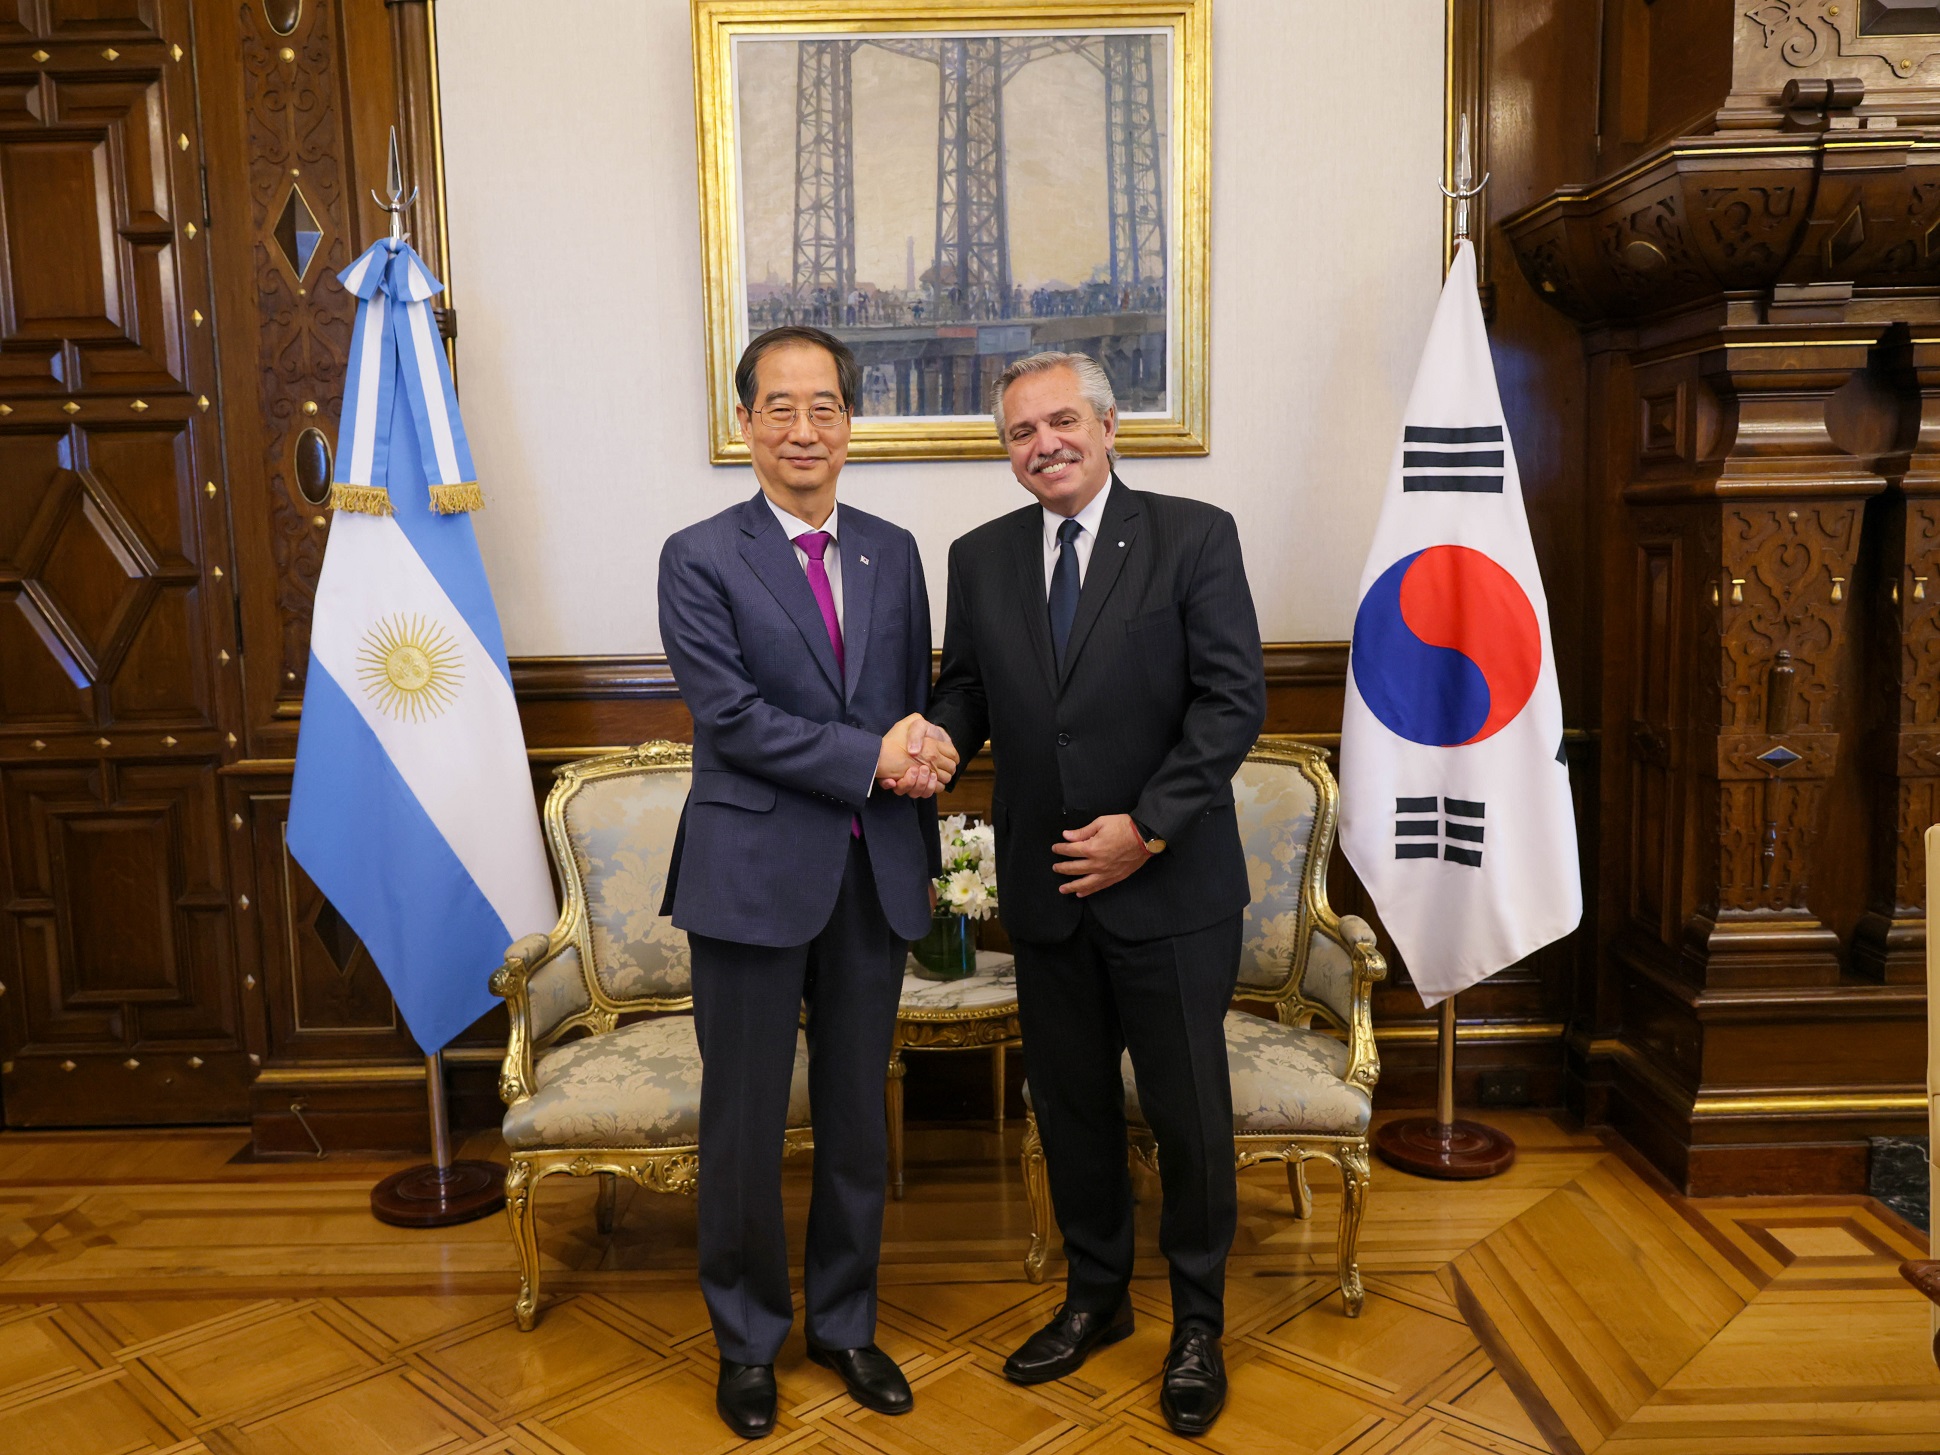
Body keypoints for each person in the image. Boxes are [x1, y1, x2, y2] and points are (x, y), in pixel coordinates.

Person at [919, 351, 1265, 1437]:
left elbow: (1230, 702)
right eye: (1019, 433)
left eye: (1060, 422)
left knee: (1187, 1115)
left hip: (1167, 889)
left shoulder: (1192, 536)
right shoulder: (975, 558)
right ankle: (1095, 1300)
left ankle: (1198, 1324)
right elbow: (969, 688)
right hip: (1046, 892)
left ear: (1110, 427)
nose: (1042, 445)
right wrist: (935, 738)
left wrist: (1146, 829)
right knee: (1068, 1111)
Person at [658, 326, 959, 1440]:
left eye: (823, 406)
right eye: (778, 407)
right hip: (747, 876)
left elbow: (902, 701)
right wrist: (871, 757)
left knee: (854, 1121)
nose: (802, 428)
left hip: (869, 872)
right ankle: (745, 1342)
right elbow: (729, 719)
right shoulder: (697, 555)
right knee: (740, 1122)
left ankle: (842, 1322)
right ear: (745, 423)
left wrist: (919, 747)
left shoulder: (892, 548)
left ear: (849, 422)